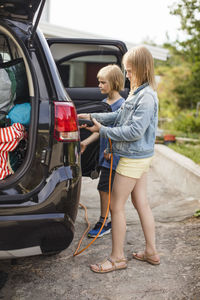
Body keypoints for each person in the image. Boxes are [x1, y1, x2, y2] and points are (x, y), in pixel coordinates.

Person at [78, 46, 160, 273]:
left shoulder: (146, 98)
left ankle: (117, 258)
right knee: (140, 202)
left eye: (130, 71)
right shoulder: (136, 93)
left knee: (115, 206)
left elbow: (134, 131)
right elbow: (118, 115)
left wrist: (103, 130)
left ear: (142, 69)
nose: (127, 75)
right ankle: (151, 251)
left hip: (133, 158)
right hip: (138, 157)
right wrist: (92, 116)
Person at [80, 64, 125, 238]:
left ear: (114, 83)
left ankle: (104, 222)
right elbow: (101, 131)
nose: (99, 85)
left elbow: (119, 132)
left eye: (102, 82)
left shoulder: (122, 106)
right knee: (107, 188)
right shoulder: (103, 104)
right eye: (99, 82)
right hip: (104, 155)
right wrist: (85, 142)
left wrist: (111, 149)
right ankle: (112, 220)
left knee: (104, 188)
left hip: (113, 156)